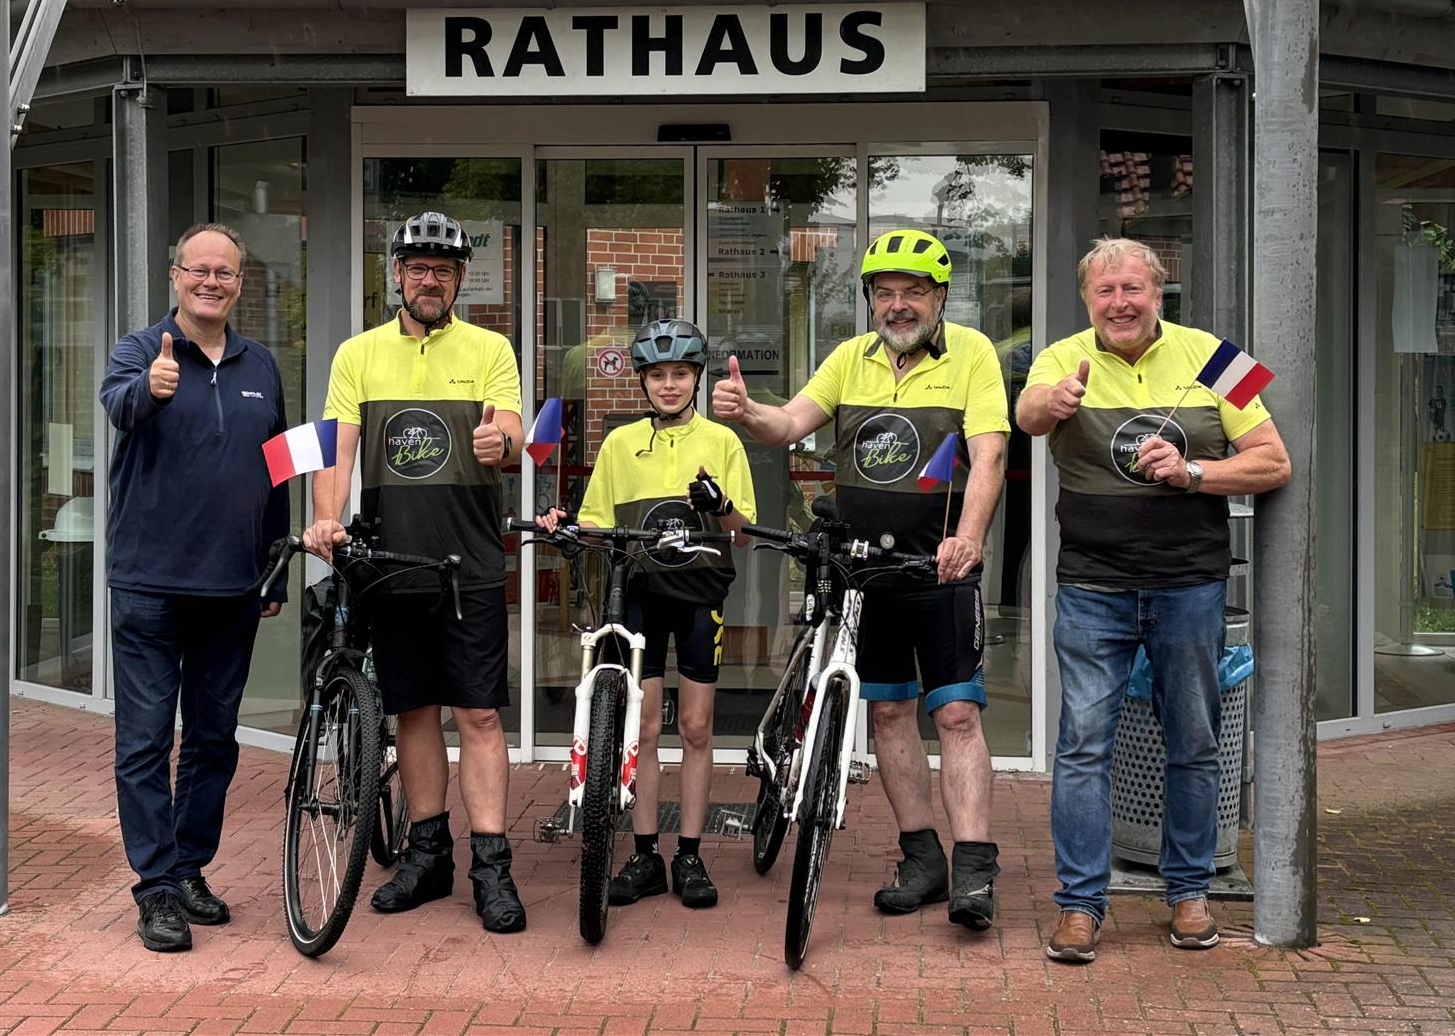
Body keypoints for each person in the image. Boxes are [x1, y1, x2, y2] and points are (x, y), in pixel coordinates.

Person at [713, 228, 1009, 932]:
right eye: (885, 292)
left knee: (957, 714)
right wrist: (747, 410)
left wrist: (966, 539)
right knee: (886, 712)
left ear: (940, 296)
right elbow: (787, 422)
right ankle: (923, 858)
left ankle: (973, 869)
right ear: (871, 299)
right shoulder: (851, 358)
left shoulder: (973, 355)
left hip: (938, 568)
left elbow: (990, 455)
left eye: (912, 291)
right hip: (863, 573)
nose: (898, 304)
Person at [1017, 237, 1291, 964]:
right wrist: (1055, 399)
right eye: (1105, 292)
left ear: (1159, 291)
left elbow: (1274, 460)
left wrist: (1194, 469)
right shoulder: (1061, 355)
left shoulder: (1217, 356)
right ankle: (1079, 906)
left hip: (1189, 585)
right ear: (1087, 300)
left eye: (1133, 288)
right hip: (1091, 587)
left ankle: (1190, 894)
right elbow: (1026, 416)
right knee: (1081, 747)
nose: (1120, 303)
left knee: (1195, 745)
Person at [301, 211, 528, 934]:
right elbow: (335, 450)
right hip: (393, 561)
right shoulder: (357, 354)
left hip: (472, 561)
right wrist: (328, 517)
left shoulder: (491, 348)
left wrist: (504, 442)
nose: (431, 279)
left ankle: (491, 865)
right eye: (419, 267)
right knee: (415, 711)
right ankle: (428, 854)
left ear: (461, 278)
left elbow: (517, 436)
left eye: (445, 268)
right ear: (397, 274)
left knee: (481, 713)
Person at [97, 222, 290, 953]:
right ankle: (154, 889)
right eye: (199, 269)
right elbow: (118, 405)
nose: (213, 281)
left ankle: (186, 866)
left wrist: (277, 558)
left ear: (240, 284)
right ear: (175, 275)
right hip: (149, 584)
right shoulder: (140, 352)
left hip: (233, 586)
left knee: (213, 740)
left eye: (227, 272)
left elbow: (278, 466)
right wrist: (150, 389)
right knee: (145, 742)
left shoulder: (261, 364)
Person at [535, 318, 756, 909]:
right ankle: (646, 854)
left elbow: (742, 535)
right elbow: (596, 522)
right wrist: (562, 524)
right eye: (657, 375)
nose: (668, 385)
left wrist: (723, 505)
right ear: (642, 381)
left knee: (697, 728)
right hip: (638, 596)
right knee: (647, 729)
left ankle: (690, 854)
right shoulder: (619, 443)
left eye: (680, 374)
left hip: (699, 596)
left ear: (696, 378)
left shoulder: (724, 442)